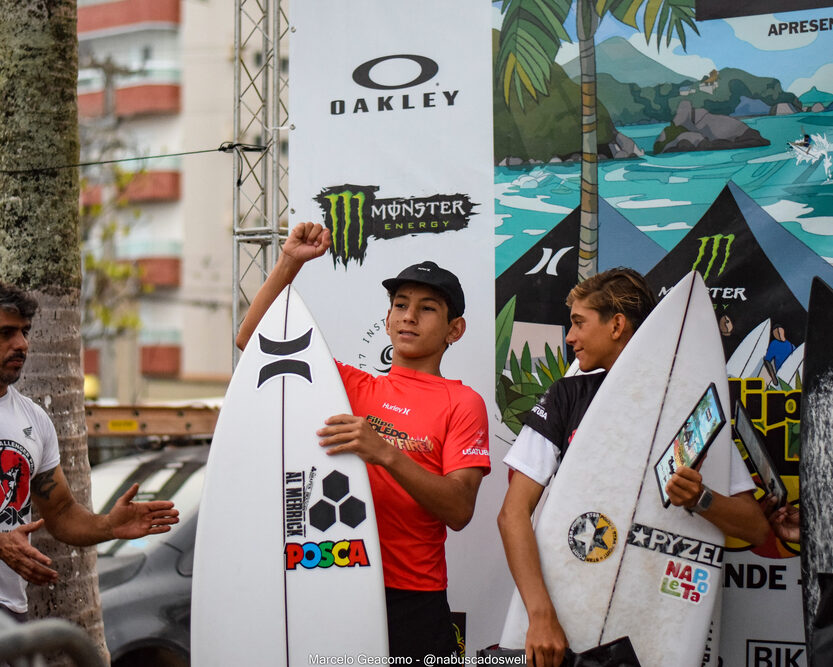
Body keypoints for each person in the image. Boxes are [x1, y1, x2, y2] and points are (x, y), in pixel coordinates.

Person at [237, 222, 490, 660]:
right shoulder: (350, 385)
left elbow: (460, 509)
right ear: (387, 318)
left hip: (414, 596)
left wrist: (385, 452)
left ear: (455, 329)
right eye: (400, 304)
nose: (409, 316)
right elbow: (253, 341)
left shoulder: (463, 402)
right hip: (338, 580)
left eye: (427, 308)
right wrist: (289, 262)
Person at [497, 268, 769, 667]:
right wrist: (540, 617)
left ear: (617, 324)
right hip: (561, 620)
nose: (569, 337)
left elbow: (755, 528)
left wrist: (701, 499)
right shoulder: (567, 396)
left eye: (578, 323)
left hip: (649, 627)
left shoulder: (690, 410)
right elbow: (512, 514)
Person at [0, 282, 179, 622]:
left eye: (24, 332)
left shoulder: (33, 420)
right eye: (7, 333)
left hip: (9, 614)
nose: (22, 344)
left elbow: (63, 512)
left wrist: (108, 525)